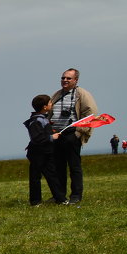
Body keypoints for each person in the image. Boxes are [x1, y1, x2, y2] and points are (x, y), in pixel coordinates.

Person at [49, 68, 96, 205]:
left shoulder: (82, 94)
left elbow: (91, 113)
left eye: (69, 78)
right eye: (63, 78)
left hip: (72, 134)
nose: (65, 80)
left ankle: (76, 195)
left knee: (74, 166)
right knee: (58, 167)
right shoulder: (57, 95)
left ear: (76, 80)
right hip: (56, 134)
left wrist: (79, 132)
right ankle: (59, 196)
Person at [24, 94, 61, 206]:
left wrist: (51, 131)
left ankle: (60, 198)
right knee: (35, 177)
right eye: (50, 103)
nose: (52, 104)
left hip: (47, 153)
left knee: (52, 176)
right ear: (45, 107)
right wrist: (51, 137)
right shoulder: (36, 121)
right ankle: (35, 202)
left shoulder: (43, 119)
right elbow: (37, 138)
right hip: (37, 154)